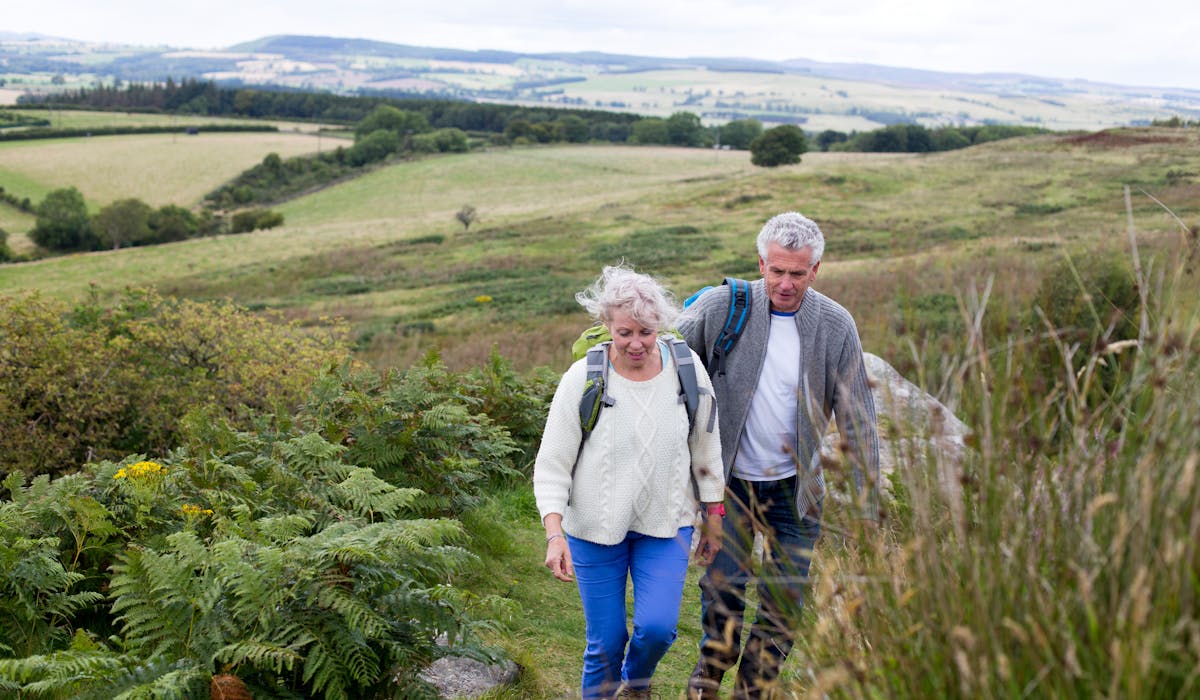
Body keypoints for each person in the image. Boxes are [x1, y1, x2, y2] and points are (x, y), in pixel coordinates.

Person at [679, 211, 880, 699]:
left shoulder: (835, 325)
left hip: (796, 490)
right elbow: (666, 362)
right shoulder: (721, 306)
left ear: (816, 270)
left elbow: (858, 418)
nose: (786, 284)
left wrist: (866, 506)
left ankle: (754, 688)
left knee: (784, 603)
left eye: (797, 273)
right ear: (761, 264)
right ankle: (710, 671)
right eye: (777, 271)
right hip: (728, 487)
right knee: (722, 589)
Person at [533, 265, 727, 700]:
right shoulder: (582, 378)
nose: (636, 343)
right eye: (624, 333)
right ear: (607, 326)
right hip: (594, 529)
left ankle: (635, 683)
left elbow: (707, 446)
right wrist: (554, 534)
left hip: (667, 522)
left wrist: (713, 515)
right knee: (605, 643)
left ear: (661, 325)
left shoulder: (687, 369)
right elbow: (552, 465)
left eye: (646, 332)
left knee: (657, 629)